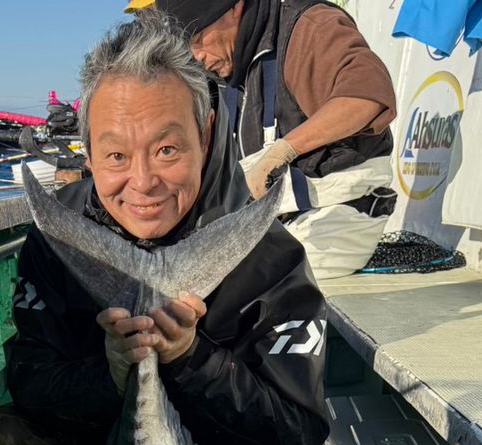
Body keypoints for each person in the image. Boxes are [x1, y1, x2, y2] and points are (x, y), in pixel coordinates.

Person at [0, 17, 328, 445]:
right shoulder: (59, 238)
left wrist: (192, 359)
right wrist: (111, 375)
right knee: (2, 437)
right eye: (116, 156)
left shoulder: (266, 255)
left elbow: (298, 429)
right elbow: (30, 379)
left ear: (206, 134)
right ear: (88, 153)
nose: (142, 183)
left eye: (166, 151)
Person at [155, 0, 398, 280]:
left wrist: (285, 150)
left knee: (248, 283)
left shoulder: (309, 28)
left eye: (198, 38)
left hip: (339, 219)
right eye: (188, 46)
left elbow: (368, 96)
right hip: (271, 223)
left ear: (235, 8)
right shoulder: (222, 66)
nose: (196, 55)